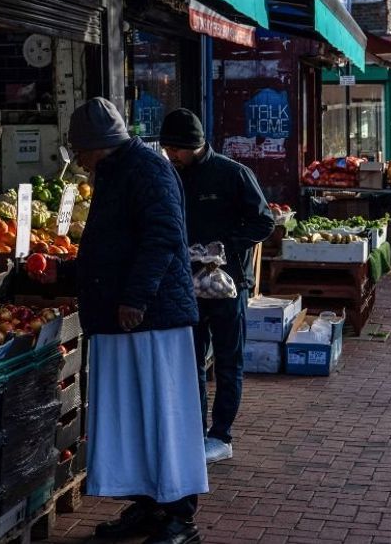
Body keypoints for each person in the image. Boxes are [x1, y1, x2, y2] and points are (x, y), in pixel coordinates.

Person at [69, 98, 207, 544]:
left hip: (152, 317)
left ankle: (179, 517)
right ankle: (150, 505)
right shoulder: (115, 170)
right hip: (125, 316)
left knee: (165, 411)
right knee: (136, 412)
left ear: (98, 144)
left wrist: (135, 297)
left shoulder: (148, 169)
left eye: (80, 149)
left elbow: (164, 237)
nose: (78, 159)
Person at [158, 109, 274, 465]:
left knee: (227, 360)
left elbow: (264, 221)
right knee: (190, 361)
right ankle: (194, 431)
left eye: (176, 149)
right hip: (184, 285)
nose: (171, 155)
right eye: (167, 149)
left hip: (227, 285)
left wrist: (224, 246)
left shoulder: (233, 173)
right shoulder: (169, 175)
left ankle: (221, 434)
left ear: (194, 145)